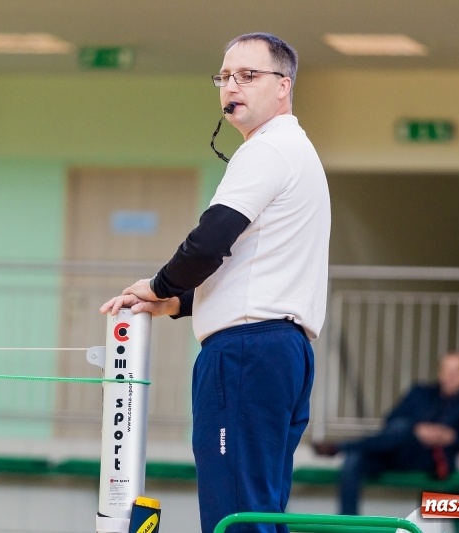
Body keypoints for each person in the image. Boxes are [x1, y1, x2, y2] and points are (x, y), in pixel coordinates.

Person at [101, 32, 331, 533]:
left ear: (283, 86)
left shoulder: (268, 150)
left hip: (247, 354)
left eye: (249, 75)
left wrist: (159, 286)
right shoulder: (298, 150)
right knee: (260, 511)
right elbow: (256, 259)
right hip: (281, 352)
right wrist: (180, 303)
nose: (233, 86)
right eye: (225, 77)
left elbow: (209, 244)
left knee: (237, 516)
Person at [313, 350, 459, 515]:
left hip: (429, 460)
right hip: (396, 452)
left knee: (402, 429)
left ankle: (342, 446)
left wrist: (447, 436)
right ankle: (348, 528)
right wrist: (417, 429)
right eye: (447, 370)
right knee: (355, 459)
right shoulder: (420, 392)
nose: (451, 376)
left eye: (457, 371)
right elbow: (389, 422)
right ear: (440, 372)